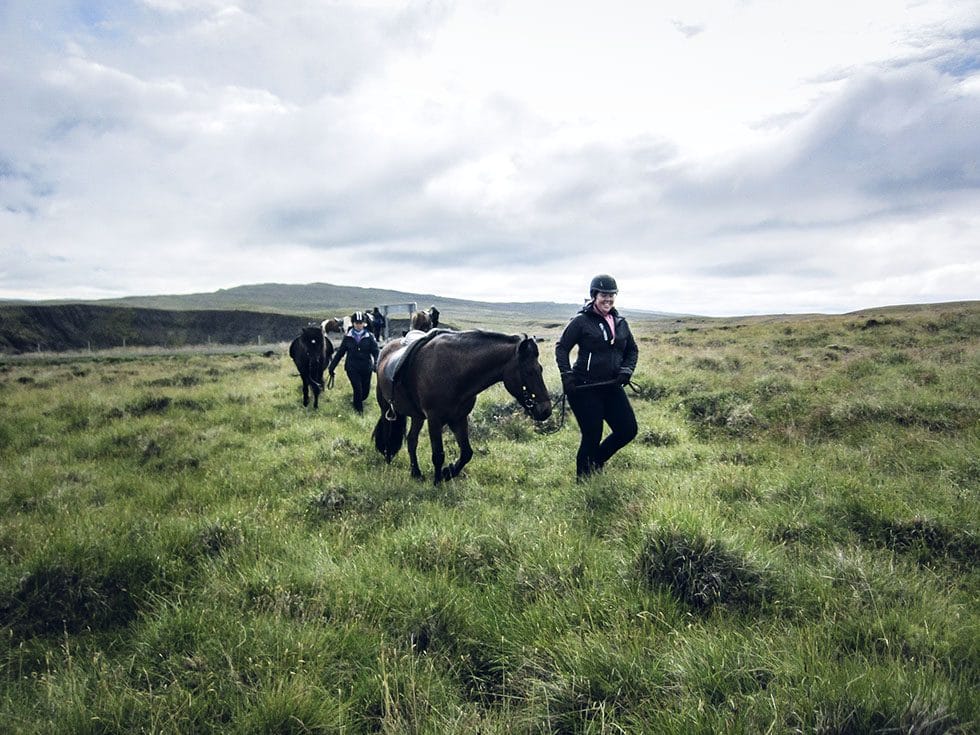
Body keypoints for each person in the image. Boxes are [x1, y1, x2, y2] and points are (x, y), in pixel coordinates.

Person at [555, 274, 638, 480]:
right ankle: (583, 484)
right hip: (584, 388)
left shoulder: (620, 322)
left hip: (611, 386)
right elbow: (562, 347)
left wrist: (626, 370)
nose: (608, 299)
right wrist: (567, 375)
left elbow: (632, 350)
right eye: (603, 295)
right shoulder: (581, 321)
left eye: (611, 295)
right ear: (594, 295)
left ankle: (596, 462)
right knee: (592, 436)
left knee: (628, 430)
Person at [328, 311, 380, 414]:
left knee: (365, 392)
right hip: (352, 367)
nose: (359, 325)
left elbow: (375, 351)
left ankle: (357, 402)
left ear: (364, 323)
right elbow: (340, 353)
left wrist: (376, 363)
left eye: (360, 323)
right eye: (356, 323)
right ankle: (359, 412)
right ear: (353, 323)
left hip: (366, 367)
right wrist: (332, 367)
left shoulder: (369, 336)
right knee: (358, 389)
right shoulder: (348, 337)